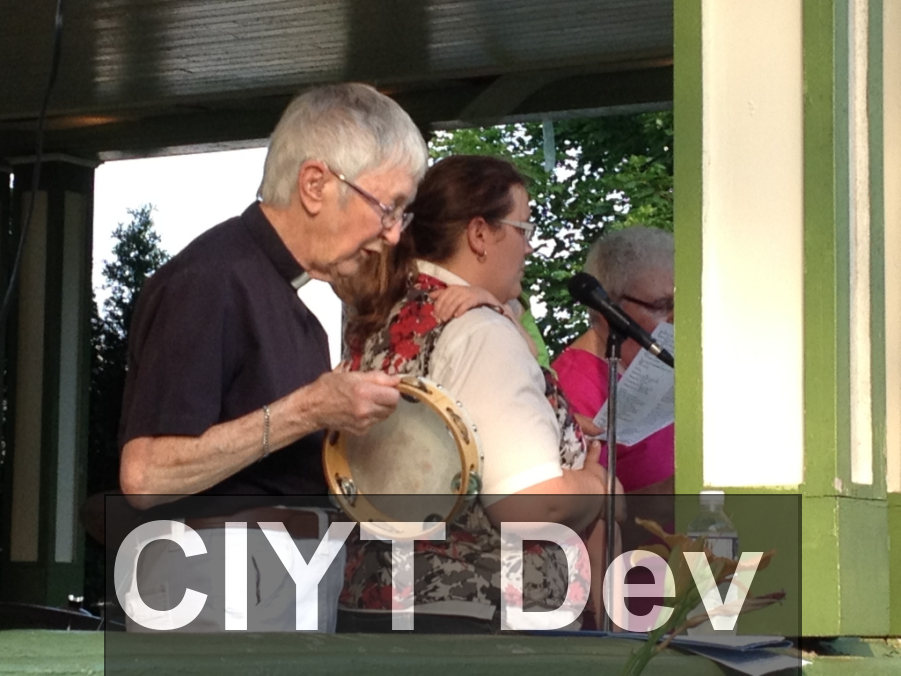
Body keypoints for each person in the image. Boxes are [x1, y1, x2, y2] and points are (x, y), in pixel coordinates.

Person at [116, 83, 429, 632]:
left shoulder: (292, 303)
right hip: (217, 591)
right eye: (388, 207)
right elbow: (146, 476)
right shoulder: (210, 280)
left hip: (274, 589)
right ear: (314, 184)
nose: (393, 234)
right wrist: (308, 410)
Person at [335, 155, 611, 633]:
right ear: (479, 234)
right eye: (523, 229)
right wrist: (599, 486)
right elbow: (528, 503)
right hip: (479, 622)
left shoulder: (383, 319)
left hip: (377, 601)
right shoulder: (478, 331)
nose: (529, 248)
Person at [551, 226, 675, 496]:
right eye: (662, 305)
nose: (675, 319)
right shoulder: (571, 390)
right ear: (608, 311)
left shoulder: (658, 369)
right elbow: (578, 521)